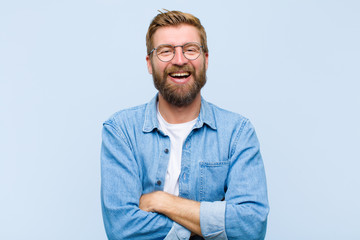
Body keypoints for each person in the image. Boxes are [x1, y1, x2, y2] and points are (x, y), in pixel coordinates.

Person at [101, 10, 269, 240]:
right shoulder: (121, 131)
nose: (179, 60)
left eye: (190, 49)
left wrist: (162, 201)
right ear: (149, 63)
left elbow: (251, 227)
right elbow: (121, 229)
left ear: (206, 59)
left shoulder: (237, 133)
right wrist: (211, 225)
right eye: (166, 51)